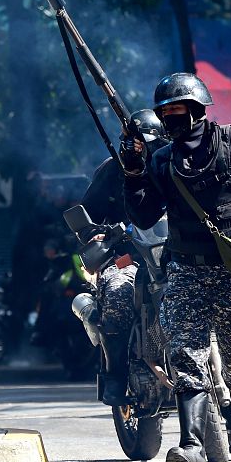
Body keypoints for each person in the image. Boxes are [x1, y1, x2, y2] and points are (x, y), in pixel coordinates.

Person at [121, 73, 231, 462]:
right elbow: (144, 216)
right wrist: (133, 172)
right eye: (165, 114)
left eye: (178, 111)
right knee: (186, 357)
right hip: (185, 272)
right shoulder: (163, 160)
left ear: (198, 110)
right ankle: (192, 448)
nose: (171, 119)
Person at [71, 109, 167, 405]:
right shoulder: (112, 170)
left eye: (149, 143)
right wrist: (94, 234)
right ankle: (117, 373)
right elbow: (86, 213)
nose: (142, 149)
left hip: (171, 256)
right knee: (116, 293)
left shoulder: (170, 166)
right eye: (136, 143)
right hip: (127, 257)